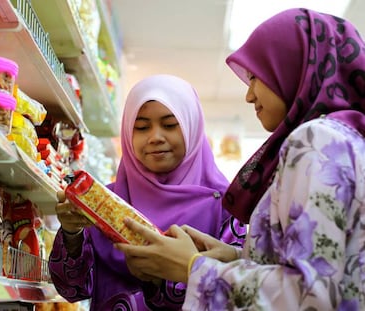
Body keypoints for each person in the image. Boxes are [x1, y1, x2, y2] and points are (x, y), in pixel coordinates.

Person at [115, 8, 365, 310]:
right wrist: (237, 257)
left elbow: (311, 296)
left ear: (291, 68)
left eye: (255, 76)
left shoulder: (317, 140)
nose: (249, 95)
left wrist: (193, 268)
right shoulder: (345, 139)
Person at [48, 74, 246, 310]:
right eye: (141, 127)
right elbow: (73, 288)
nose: (155, 137)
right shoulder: (101, 203)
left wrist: (168, 273)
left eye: (170, 125)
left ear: (192, 127)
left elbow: (238, 296)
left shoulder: (227, 208)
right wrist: (72, 233)